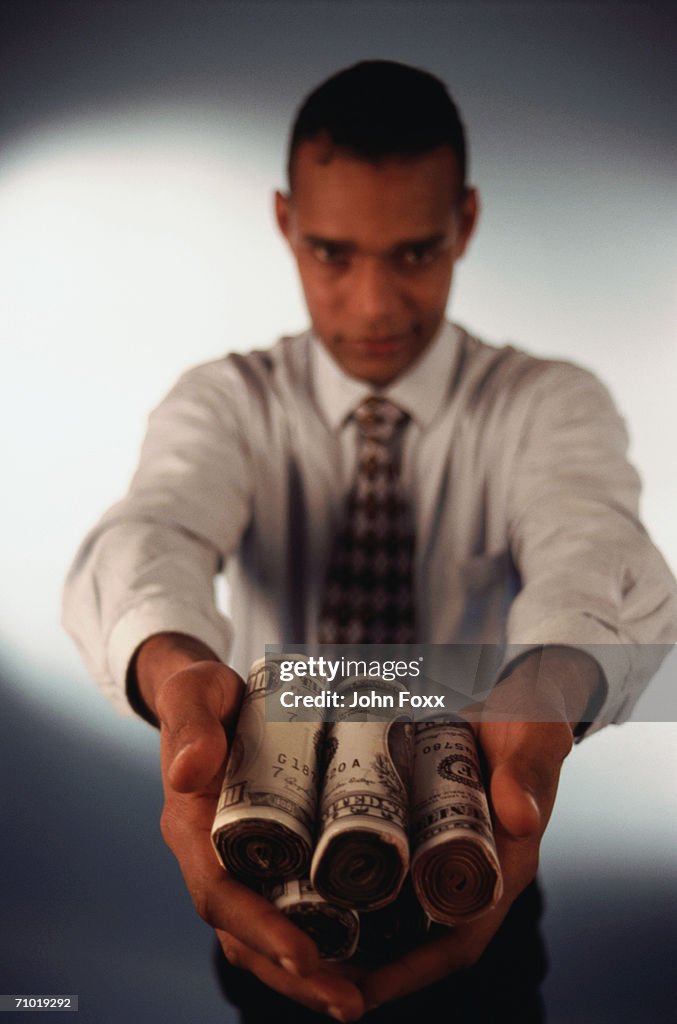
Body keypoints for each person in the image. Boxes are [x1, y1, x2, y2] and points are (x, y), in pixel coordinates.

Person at [62, 60, 677, 1022]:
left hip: (476, 865)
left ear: (466, 223)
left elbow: (590, 540)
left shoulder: (546, 404)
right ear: (282, 224)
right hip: (274, 874)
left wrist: (545, 691)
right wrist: (177, 675)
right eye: (333, 254)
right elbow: (153, 529)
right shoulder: (226, 402)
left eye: (416, 253)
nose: (373, 306)